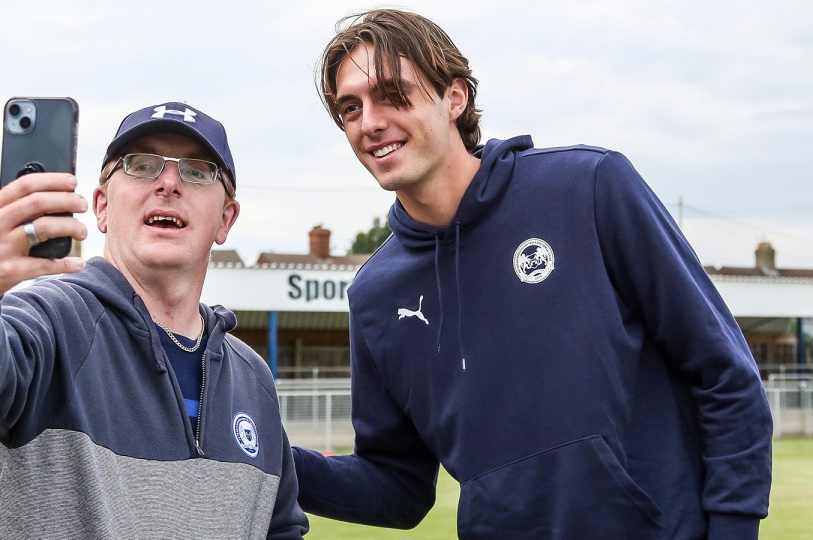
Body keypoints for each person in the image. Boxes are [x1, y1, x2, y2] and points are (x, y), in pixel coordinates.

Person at [292, 9, 773, 539]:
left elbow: (723, 371)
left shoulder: (588, 186)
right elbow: (396, 486)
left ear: (454, 97)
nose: (370, 121)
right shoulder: (375, 296)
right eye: (351, 108)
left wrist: (734, 526)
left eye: (392, 94)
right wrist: (271, 462)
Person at [0, 102, 308, 538]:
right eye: (141, 165)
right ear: (101, 207)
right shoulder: (52, 321)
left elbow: (279, 528)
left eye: (197, 171)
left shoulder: (253, 378)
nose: (169, 182)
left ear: (225, 218)